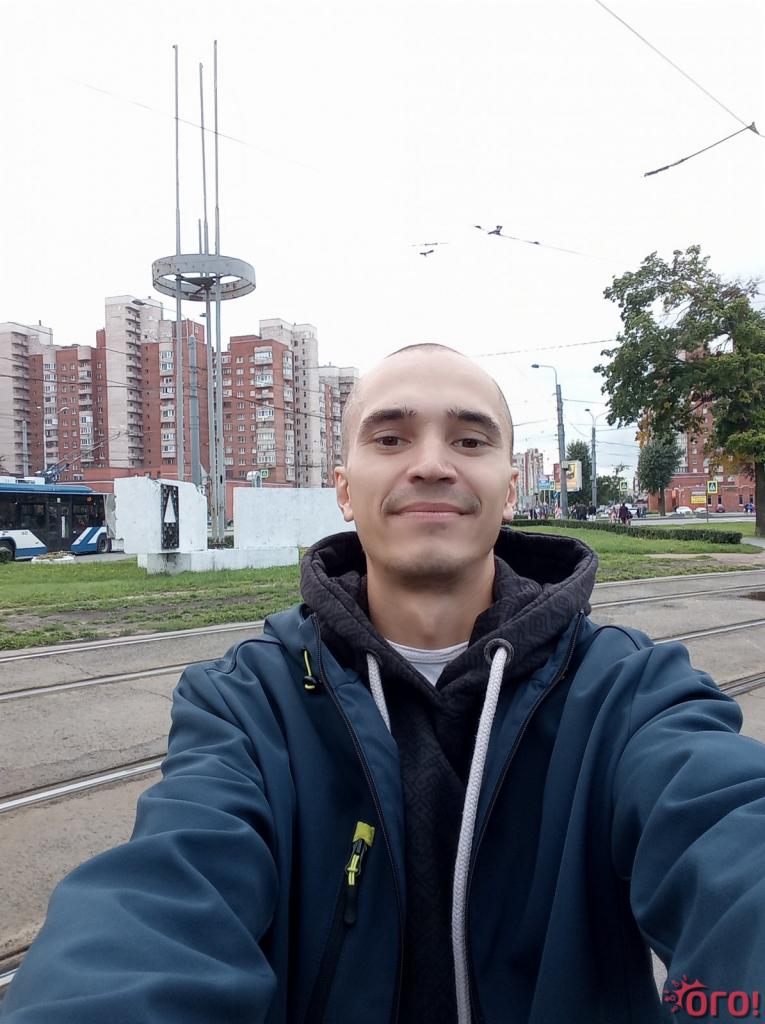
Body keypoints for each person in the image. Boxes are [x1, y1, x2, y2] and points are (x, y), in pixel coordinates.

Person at [3, 343, 765, 1024]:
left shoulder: (629, 692)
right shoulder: (244, 704)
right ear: (343, 489)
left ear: (509, 488)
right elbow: (161, 906)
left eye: (469, 440)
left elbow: (732, 848)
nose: (430, 463)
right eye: (391, 438)